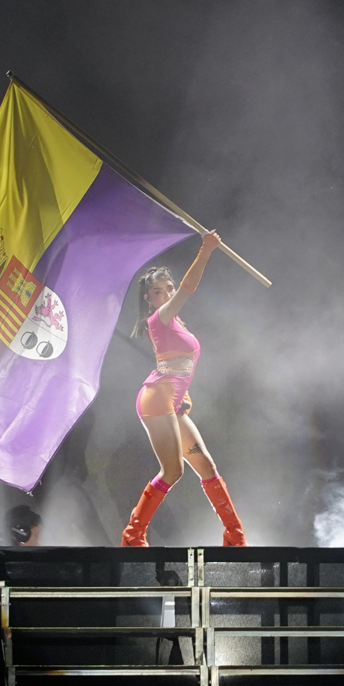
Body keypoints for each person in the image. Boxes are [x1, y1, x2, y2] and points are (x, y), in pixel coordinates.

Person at [121, 230, 248, 547]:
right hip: (156, 400)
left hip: (171, 401)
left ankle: (235, 536)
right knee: (173, 471)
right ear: (149, 299)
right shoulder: (159, 318)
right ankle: (133, 535)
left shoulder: (176, 324)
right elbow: (189, 287)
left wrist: (183, 396)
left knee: (206, 465)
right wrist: (206, 249)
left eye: (169, 288)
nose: (166, 294)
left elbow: (175, 366)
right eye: (158, 291)